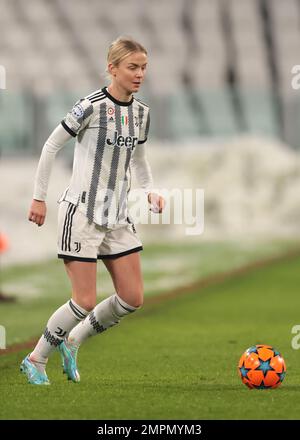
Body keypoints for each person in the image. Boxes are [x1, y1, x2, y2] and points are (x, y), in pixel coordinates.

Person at [20, 37, 165, 385]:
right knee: (83, 299)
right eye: (132, 67)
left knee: (132, 298)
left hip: (117, 216)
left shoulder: (142, 113)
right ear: (112, 68)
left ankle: (73, 341)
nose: (140, 74)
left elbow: (139, 160)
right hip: (81, 213)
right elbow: (51, 144)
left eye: (143, 67)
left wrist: (149, 191)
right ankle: (36, 359)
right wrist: (39, 197)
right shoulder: (90, 106)